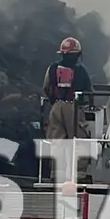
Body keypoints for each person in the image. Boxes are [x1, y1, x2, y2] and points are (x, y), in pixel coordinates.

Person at [42, 37, 95, 179]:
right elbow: (89, 91)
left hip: (56, 108)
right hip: (74, 107)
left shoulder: (52, 69)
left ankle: (56, 173)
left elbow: (46, 87)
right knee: (80, 139)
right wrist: (90, 104)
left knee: (57, 141)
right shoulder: (81, 71)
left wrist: (55, 101)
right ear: (77, 54)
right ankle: (80, 174)